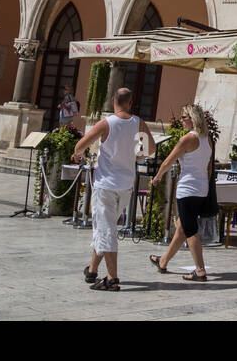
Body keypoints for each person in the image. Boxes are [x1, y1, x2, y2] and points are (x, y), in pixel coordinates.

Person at [72, 87, 151, 291]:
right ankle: (92, 270)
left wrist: (78, 154)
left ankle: (112, 278)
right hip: (126, 185)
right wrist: (135, 156)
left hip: (106, 183)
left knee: (106, 229)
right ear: (130, 102)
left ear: (113, 100)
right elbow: (150, 149)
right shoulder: (138, 122)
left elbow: (80, 145)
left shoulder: (106, 123)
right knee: (105, 226)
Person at [149, 105, 214, 282]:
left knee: (190, 230)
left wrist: (157, 177)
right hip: (201, 188)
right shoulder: (207, 139)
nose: (181, 120)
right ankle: (163, 261)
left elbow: (168, 161)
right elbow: (208, 167)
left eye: (184, 117)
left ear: (193, 119)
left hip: (187, 189)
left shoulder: (188, 139)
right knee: (181, 228)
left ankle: (200, 271)